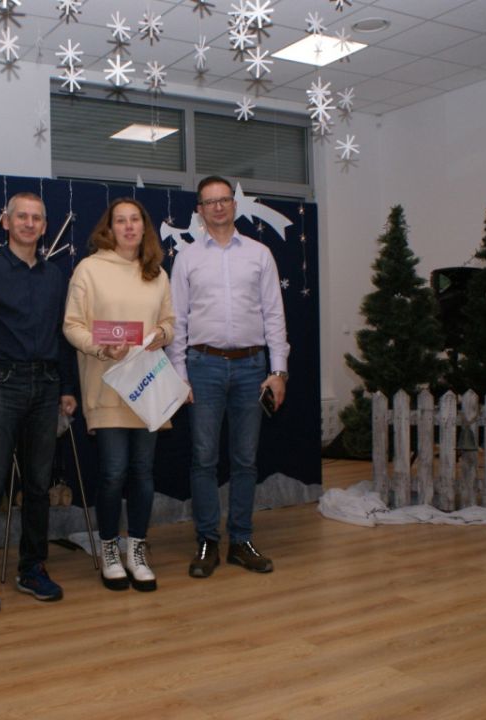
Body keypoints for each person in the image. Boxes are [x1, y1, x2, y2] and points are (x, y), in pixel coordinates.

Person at [0, 191, 77, 613]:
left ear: (45, 226)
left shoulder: (54, 276)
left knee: (38, 487)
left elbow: (62, 336)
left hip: (46, 386)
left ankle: (33, 568)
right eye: (21, 216)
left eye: (36, 218)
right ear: (6, 222)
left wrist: (67, 387)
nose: (29, 223)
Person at [168, 175, 290, 578]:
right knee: (203, 459)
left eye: (224, 200)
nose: (218, 207)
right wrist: (179, 373)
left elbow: (274, 315)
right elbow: (177, 320)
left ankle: (240, 540)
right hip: (202, 367)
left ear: (234, 205)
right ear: (199, 211)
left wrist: (278, 371)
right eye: (210, 202)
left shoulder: (260, 254)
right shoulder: (187, 258)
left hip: (252, 369)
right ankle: (207, 541)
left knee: (245, 460)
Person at [63, 198, 175, 592]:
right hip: (107, 386)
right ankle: (110, 549)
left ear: (144, 227)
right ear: (108, 228)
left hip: (146, 389)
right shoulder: (89, 269)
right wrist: (101, 348)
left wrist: (161, 334)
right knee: (113, 472)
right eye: (120, 221)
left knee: (143, 472)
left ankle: (137, 550)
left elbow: (170, 323)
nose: (128, 227)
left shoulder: (156, 272)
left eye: (135, 220)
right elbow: (72, 326)